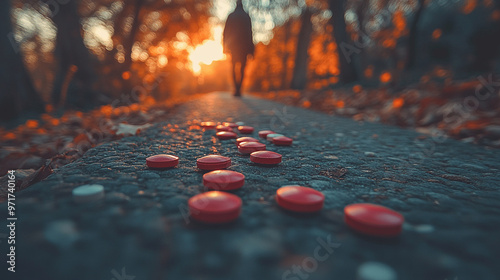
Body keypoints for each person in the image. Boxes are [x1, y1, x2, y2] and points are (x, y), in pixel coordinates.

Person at [223, 0, 254, 97]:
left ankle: (236, 88)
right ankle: (239, 89)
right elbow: (250, 33)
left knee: (233, 67)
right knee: (242, 68)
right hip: (244, 47)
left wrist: (224, 46)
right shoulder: (246, 16)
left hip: (233, 46)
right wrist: (251, 49)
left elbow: (225, 32)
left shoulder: (231, 16)